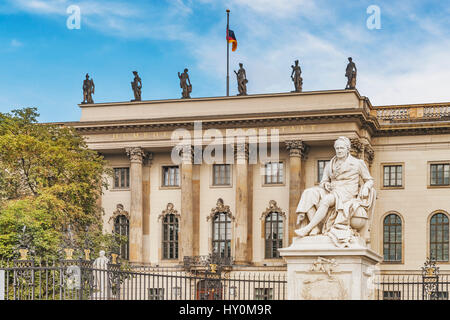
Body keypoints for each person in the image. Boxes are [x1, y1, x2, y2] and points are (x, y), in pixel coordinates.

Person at [295, 136, 375, 246]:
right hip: (333, 190)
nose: (339, 151)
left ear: (347, 149)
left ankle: (309, 227)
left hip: (347, 192)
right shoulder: (330, 164)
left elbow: (369, 180)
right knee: (308, 193)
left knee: (327, 200)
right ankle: (315, 229)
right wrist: (326, 184)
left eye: (341, 148)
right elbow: (323, 181)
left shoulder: (357, 163)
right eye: (337, 148)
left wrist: (366, 187)